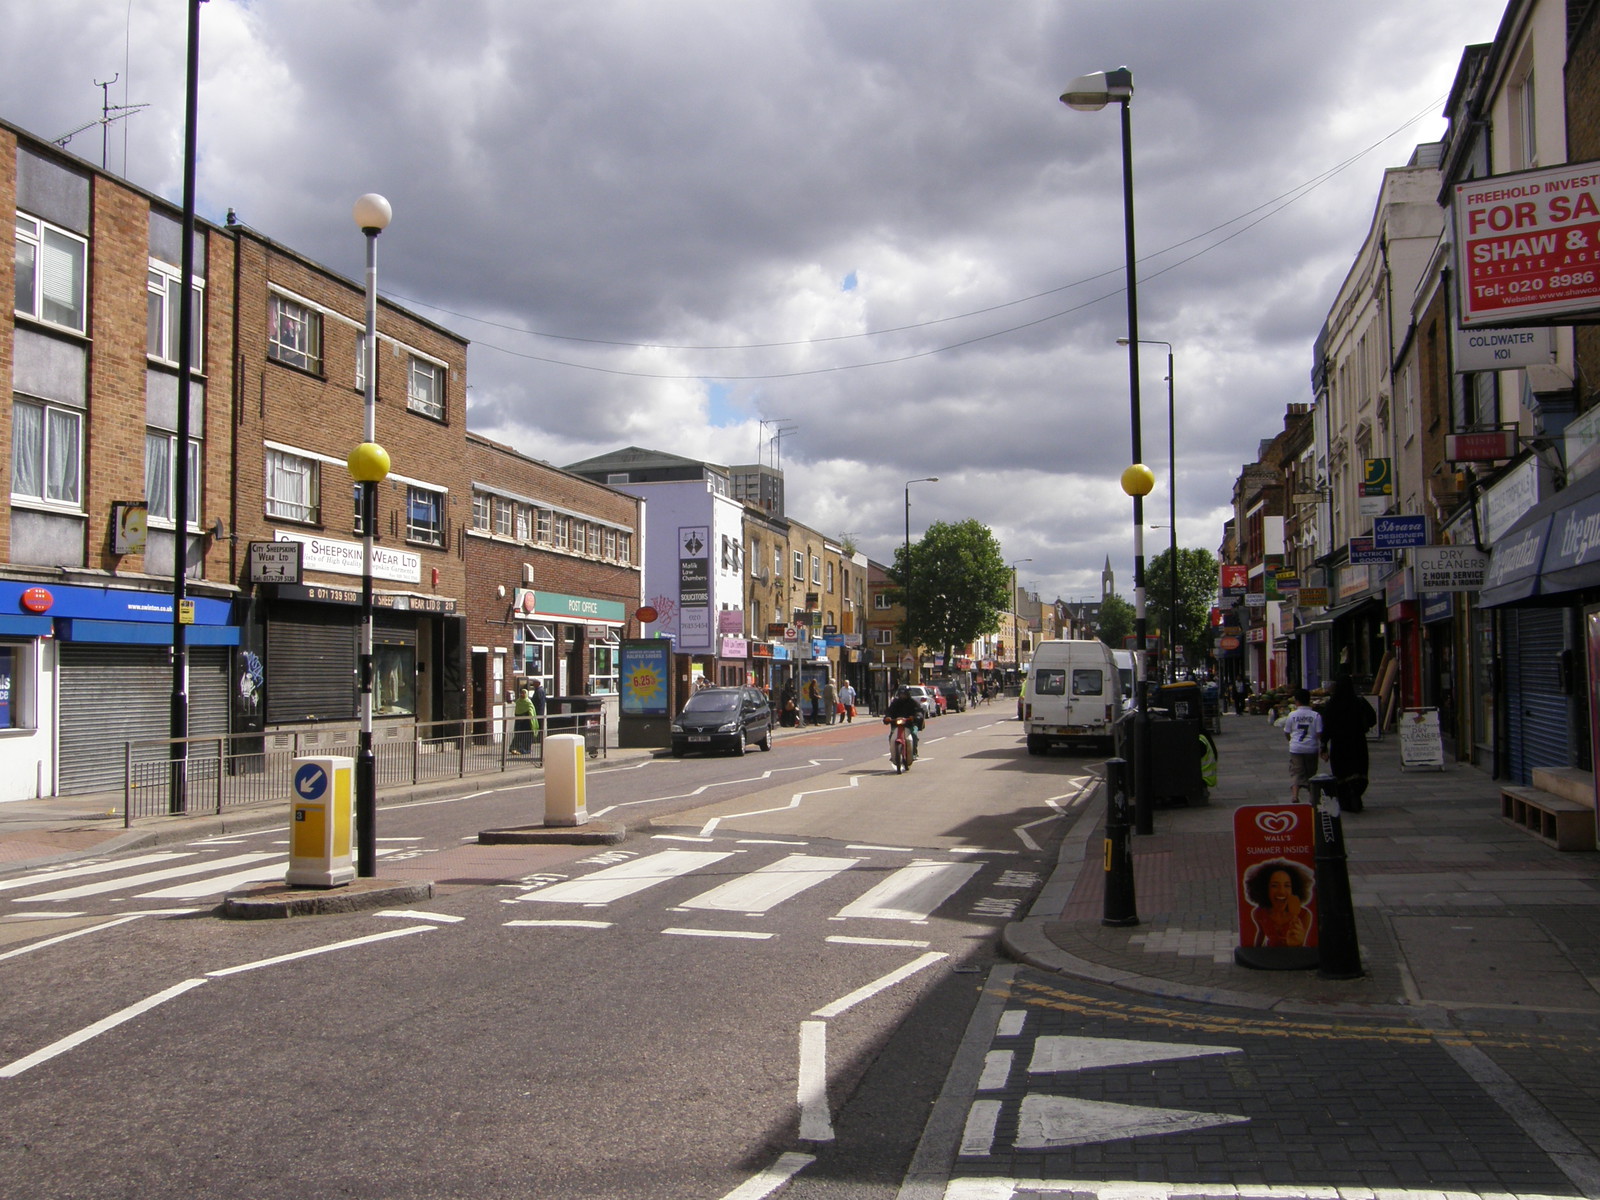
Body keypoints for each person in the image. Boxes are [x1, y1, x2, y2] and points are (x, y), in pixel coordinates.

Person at [1320, 673, 1377, 812]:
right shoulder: (1359, 702)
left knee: (1341, 771)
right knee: (1358, 769)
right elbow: (1372, 719)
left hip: (1339, 744)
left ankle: (1346, 799)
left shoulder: (1331, 705)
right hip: (1357, 742)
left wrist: (1323, 746)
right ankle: (1356, 793)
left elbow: (1326, 727)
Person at [1242, 858, 1314, 948]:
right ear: (1265, 889)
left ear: (1295, 889)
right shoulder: (1259, 913)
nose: (1281, 891)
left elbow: (1303, 946)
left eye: (1287, 885)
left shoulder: (1304, 915)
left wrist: (1297, 943)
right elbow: (1261, 933)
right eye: (1274, 885)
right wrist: (1255, 952)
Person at [1281, 688, 1322, 803]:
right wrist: (1322, 747)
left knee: (1296, 771)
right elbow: (1319, 733)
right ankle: (1312, 796)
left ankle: (1295, 796)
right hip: (1311, 748)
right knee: (1311, 773)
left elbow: (1287, 731)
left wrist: (1291, 741)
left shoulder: (1292, 715)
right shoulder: (1316, 715)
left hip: (1296, 748)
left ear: (1296, 701)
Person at [883, 685, 925, 759]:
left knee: (914, 735)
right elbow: (889, 711)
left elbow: (919, 711)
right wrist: (887, 717)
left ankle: (914, 753)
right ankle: (894, 753)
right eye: (901, 694)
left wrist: (917, 717)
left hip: (910, 724)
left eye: (904, 694)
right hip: (897, 725)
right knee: (891, 737)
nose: (903, 696)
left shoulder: (913, 702)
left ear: (908, 694)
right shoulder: (895, 703)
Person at [510, 686, 537, 755]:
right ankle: (515, 748)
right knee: (518, 735)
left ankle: (526, 749)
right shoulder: (518, 701)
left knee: (527, 736)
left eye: (524, 693)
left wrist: (530, 718)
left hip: (527, 723)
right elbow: (516, 711)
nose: (522, 694)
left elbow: (531, 711)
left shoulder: (528, 702)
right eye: (521, 693)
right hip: (519, 722)